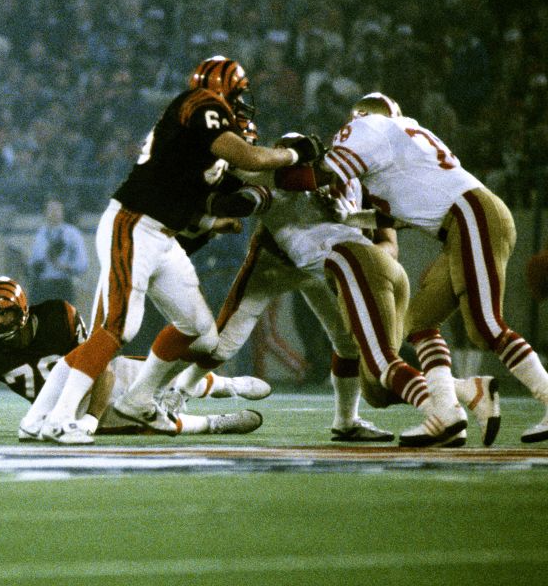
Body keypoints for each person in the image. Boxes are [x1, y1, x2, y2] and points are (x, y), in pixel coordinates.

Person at [21, 56, 324, 443]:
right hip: (133, 223)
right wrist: (295, 154)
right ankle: (59, 417)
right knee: (116, 329)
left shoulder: (200, 156)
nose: (242, 109)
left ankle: (136, 400)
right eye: (239, 97)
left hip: (161, 239)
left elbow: (224, 196)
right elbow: (251, 159)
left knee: (200, 331)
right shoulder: (198, 103)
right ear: (224, 91)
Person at [166, 164, 499, 446]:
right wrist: (217, 194)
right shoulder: (289, 177)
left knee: (352, 345)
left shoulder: (367, 184)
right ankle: (176, 393)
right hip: (276, 263)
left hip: (329, 265)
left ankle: (347, 420)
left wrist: (355, 237)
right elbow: (247, 200)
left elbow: (388, 246)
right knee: (224, 343)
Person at [314, 92, 548, 443]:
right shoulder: (404, 138)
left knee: (484, 325)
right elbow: (401, 213)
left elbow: (326, 172)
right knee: (419, 322)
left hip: (471, 215)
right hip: (466, 220)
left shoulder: (371, 126)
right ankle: (446, 412)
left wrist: (283, 165)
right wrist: (349, 215)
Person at [0, 277, 266, 440]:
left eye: (5, 315)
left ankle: (227, 384)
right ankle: (214, 424)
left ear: (23, 310)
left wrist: (92, 419)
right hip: (67, 405)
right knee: (148, 422)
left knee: (159, 377)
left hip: (104, 376)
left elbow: (101, 367)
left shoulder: (58, 317)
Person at [26, 198, 89, 306]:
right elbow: (33, 261)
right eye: (50, 209)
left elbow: (82, 264)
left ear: (63, 211)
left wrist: (66, 267)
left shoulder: (72, 234)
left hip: (63, 285)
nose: (54, 213)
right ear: (45, 212)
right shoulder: (40, 234)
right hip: (42, 286)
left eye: (57, 209)